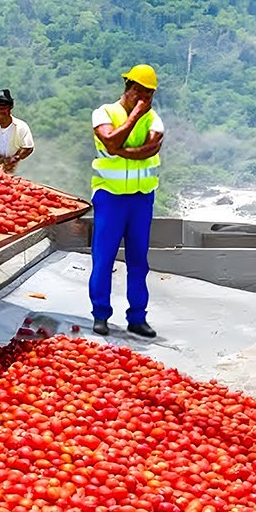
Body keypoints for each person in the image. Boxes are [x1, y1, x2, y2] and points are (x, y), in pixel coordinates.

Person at [89, 64, 165, 338]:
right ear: (128, 88)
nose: (144, 99)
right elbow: (109, 141)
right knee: (103, 258)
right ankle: (100, 315)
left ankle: (137, 317)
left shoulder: (155, 119)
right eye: (139, 92)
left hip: (141, 199)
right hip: (110, 197)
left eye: (149, 94)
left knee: (138, 260)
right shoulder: (104, 112)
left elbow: (150, 149)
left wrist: (121, 150)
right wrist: (133, 117)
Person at [0, 89, 35, 174]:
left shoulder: (21, 127)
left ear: (11, 106)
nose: (1, 107)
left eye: (4, 104)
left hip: (17, 172)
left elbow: (28, 147)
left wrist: (16, 158)